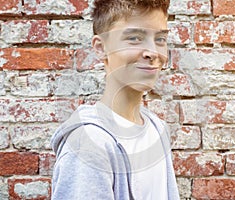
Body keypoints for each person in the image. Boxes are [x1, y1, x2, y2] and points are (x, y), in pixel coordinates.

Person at [51, 0, 180, 199]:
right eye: (135, 38)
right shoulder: (89, 146)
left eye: (160, 39)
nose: (153, 52)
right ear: (101, 48)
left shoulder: (158, 130)